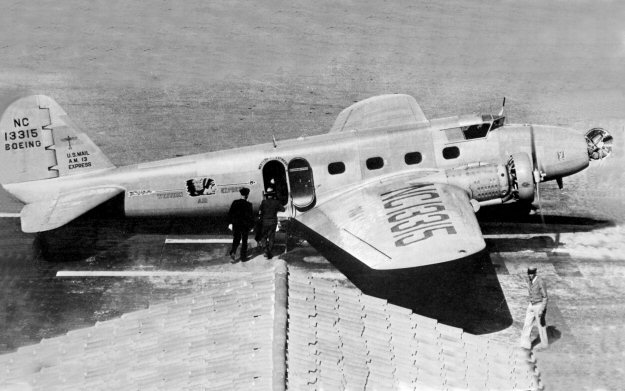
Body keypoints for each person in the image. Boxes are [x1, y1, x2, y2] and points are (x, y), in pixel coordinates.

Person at [520, 267, 549, 350]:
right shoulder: (529, 281)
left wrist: (542, 309)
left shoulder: (540, 281)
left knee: (541, 326)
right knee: (527, 324)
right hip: (531, 304)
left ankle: (544, 345)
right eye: (529, 273)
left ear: (535, 273)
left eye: (532, 273)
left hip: (539, 305)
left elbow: (545, 297)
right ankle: (525, 345)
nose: (530, 275)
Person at [227, 187, 254, 262]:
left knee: (236, 239)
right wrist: (251, 226)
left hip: (236, 224)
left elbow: (230, 213)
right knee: (244, 241)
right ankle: (243, 257)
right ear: (247, 195)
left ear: (241, 194)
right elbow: (251, 217)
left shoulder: (235, 202)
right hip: (245, 225)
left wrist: (230, 223)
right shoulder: (249, 204)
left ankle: (233, 252)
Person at [257, 187, 285, 259]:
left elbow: (260, 211)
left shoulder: (264, 202)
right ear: (273, 195)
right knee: (271, 237)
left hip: (265, 221)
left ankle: (266, 250)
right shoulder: (276, 202)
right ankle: (269, 251)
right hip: (273, 222)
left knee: (263, 237)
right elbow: (283, 209)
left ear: (267, 195)